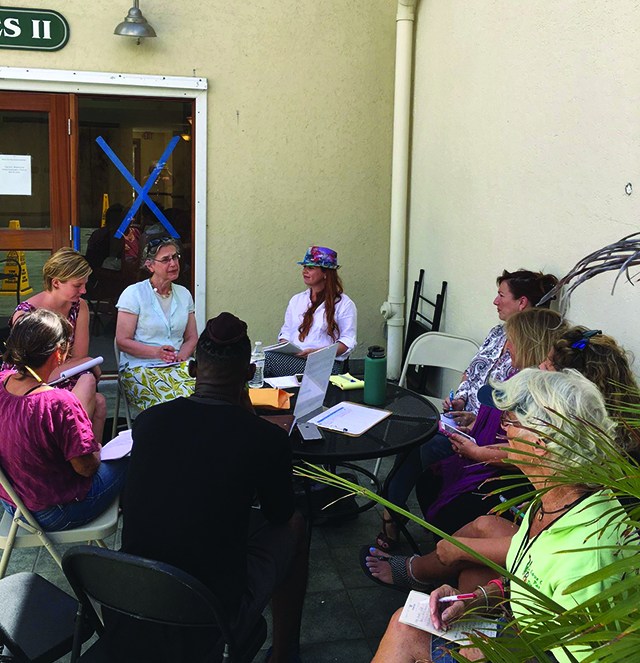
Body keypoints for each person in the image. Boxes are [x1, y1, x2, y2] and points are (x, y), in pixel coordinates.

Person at [371, 368, 632, 663]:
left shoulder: (585, 554)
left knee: (404, 629)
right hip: (525, 632)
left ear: (540, 442)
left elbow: (574, 656)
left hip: (529, 652)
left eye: (509, 421)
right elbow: (531, 581)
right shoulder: (556, 500)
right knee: (406, 620)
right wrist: (473, 600)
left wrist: (498, 652)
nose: (503, 429)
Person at [366, 325, 640, 593]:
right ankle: (427, 570)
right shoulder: (580, 455)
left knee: (466, 545)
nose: (506, 427)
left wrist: (459, 548)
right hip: (540, 531)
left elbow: (560, 549)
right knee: (469, 526)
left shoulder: (600, 481)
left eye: (547, 368)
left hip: (549, 554)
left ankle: (427, 572)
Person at [120, 313, 308, 662]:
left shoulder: (149, 422)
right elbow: (278, 513)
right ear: (250, 375)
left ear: (192, 369)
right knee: (297, 524)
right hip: (209, 609)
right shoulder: (265, 438)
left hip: (133, 592)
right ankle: (284, 655)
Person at [370, 308, 567, 560]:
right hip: (476, 432)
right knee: (417, 436)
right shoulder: (517, 374)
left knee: (428, 451)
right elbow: (480, 387)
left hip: (497, 467)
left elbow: (525, 451)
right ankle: (395, 511)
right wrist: (476, 421)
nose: (506, 349)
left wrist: (475, 449)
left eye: (512, 343)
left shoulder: (540, 392)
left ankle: (422, 537)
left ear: (530, 344)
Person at [0, 310, 128, 531]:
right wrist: (97, 449)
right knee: (132, 458)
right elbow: (87, 469)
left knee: (97, 405)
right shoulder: (57, 402)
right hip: (54, 512)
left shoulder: (3, 382)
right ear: (58, 354)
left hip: (12, 501)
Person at [1, 248, 107, 443]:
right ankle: (74, 447)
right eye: (78, 285)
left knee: (99, 402)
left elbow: (78, 358)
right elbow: (34, 370)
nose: (83, 291)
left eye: (85, 284)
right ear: (56, 282)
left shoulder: (79, 306)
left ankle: (89, 457)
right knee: (92, 388)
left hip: (61, 373)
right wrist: (90, 363)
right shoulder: (26, 315)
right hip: (30, 380)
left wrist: (86, 362)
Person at [115, 237, 198, 410]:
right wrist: (156, 353)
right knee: (176, 400)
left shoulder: (184, 294)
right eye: (166, 260)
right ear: (150, 265)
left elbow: (191, 337)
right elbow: (123, 341)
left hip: (179, 365)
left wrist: (182, 355)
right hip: (141, 368)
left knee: (208, 392)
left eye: (175, 257)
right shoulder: (134, 294)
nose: (173, 264)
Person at [265, 246, 357, 377]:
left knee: (266, 361)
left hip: (325, 366)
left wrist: (316, 353)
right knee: (257, 361)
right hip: (294, 360)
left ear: (326, 273)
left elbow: (348, 341)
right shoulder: (296, 300)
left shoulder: (344, 304)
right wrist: (285, 348)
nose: (305, 271)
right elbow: (286, 332)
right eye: (304, 267)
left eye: (311, 268)